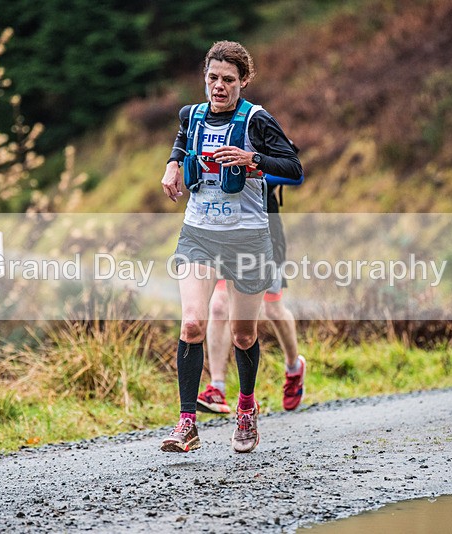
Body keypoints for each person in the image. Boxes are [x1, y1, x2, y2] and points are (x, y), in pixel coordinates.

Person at [160, 41, 302, 453]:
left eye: (227, 79)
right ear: (204, 77)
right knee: (192, 323)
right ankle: (187, 423)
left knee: (243, 334)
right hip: (199, 234)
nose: (218, 86)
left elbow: (293, 167)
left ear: (244, 81)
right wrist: (173, 164)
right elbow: (183, 140)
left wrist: (251, 159)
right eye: (212, 78)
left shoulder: (258, 120)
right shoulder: (192, 114)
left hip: (248, 238)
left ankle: (245, 407)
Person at [198, 158, 307, 415]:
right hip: (226, 235)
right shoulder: (214, 129)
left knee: (273, 311)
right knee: (218, 306)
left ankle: (294, 368)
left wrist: (254, 172)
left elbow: (296, 175)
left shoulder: (262, 127)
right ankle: (217, 388)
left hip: (265, 236)